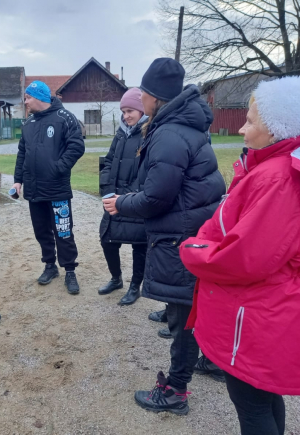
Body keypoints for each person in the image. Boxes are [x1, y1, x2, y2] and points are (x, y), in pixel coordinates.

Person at [103, 58, 226, 415]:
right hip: (191, 229)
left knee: (182, 316)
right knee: (193, 307)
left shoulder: (169, 134)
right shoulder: (181, 125)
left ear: (155, 96)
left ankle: (175, 391)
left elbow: (157, 196)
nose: (140, 99)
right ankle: (212, 361)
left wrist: (120, 204)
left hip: (179, 237)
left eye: (143, 93)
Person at [180, 76, 300, 434]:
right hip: (266, 308)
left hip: (257, 313)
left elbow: (245, 257)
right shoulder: (270, 170)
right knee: (261, 399)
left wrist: (193, 249)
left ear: (277, 130)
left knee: (251, 404)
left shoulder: (276, 178)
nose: (242, 130)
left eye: (251, 122)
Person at [11, 81, 85, 295]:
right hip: (34, 191)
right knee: (42, 231)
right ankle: (50, 266)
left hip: (57, 189)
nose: (25, 102)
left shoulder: (65, 117)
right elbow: (22, 153)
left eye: (28, 97)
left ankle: (70, 270)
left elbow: (77, 146)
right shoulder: (29, 122)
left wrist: (58, 168)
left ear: (39, 97)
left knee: (63, 231)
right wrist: (18, 180)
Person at [98, 88, 148, 305]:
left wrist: (128, 197)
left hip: (134, 200)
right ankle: (116, 278)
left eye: (130, 111)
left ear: (141, 110)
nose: (126, 116)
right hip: (114, 197)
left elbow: (148, 170)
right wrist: (107, 188)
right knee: (107, 239)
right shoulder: (120, 134)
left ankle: (135, 285)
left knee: (139, 244)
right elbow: (108, 161)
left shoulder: (148, 132)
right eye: (123, 111)